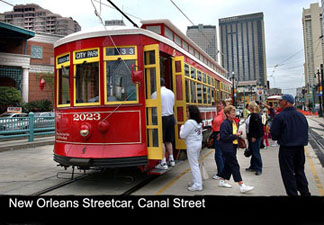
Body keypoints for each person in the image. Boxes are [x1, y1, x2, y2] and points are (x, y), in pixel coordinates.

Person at [270, 94, 311, 196]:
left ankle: (292, 193)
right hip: (300, 148)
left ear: (287, 102)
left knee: (288, 173)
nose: (279, 102)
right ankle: (305, 192)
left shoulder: (280, 117)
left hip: (286, 148)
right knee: (300, 171)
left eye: (281, 101)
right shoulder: (301, 116)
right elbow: (306, 130)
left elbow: (274, 134)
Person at [218, 105, 254, 193]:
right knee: (234, 165)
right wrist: (236, 135)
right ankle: (241, 185)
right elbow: (224, 137)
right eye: (232, 112)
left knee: (228, 164)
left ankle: (222, 180)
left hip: (232, 146)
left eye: (234, 112)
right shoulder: (225, 124)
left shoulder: (233, 122)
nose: (234, 113)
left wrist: (237, 134)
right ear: (227, 114)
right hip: (227, 147)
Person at [152, 78, 176, 170]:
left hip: (161, 118)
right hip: (171, 117)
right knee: (168, 140)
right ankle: (172, 159)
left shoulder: (155, 94)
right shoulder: (171, 93)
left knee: (160, 140)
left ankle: (163, 162)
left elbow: (153, 108)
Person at [180, 105, 203, 191]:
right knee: (195, 163)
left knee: (194, 165)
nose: (186, 113)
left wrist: (182, 127)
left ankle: (198, 184)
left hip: (191, 145)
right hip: (197, 144)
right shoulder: (199, 122)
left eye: (187, 111)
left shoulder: (189, 123)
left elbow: (182, 135)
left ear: (191, 113)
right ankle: (195, 180)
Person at [246, 101, 264, 175]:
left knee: (256, 152)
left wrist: (254, 136)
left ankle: (259, 168)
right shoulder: (251, 115)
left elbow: (257, 127)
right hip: (250, 135)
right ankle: (253, 166)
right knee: (253, 151)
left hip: (254, 136)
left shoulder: (255, 116)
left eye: (249, 106)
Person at [211, 100, 226, 180]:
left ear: (223, 105)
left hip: (219, 134)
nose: (218, 105)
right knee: (220, 154)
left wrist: (221, 133)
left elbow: (225, 124)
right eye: (217, 104)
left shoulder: (223, 113)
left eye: (220, 104)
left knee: (218, 154)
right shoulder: (218, 113)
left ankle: (220, 173)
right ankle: (222, 171)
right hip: (217, 133)